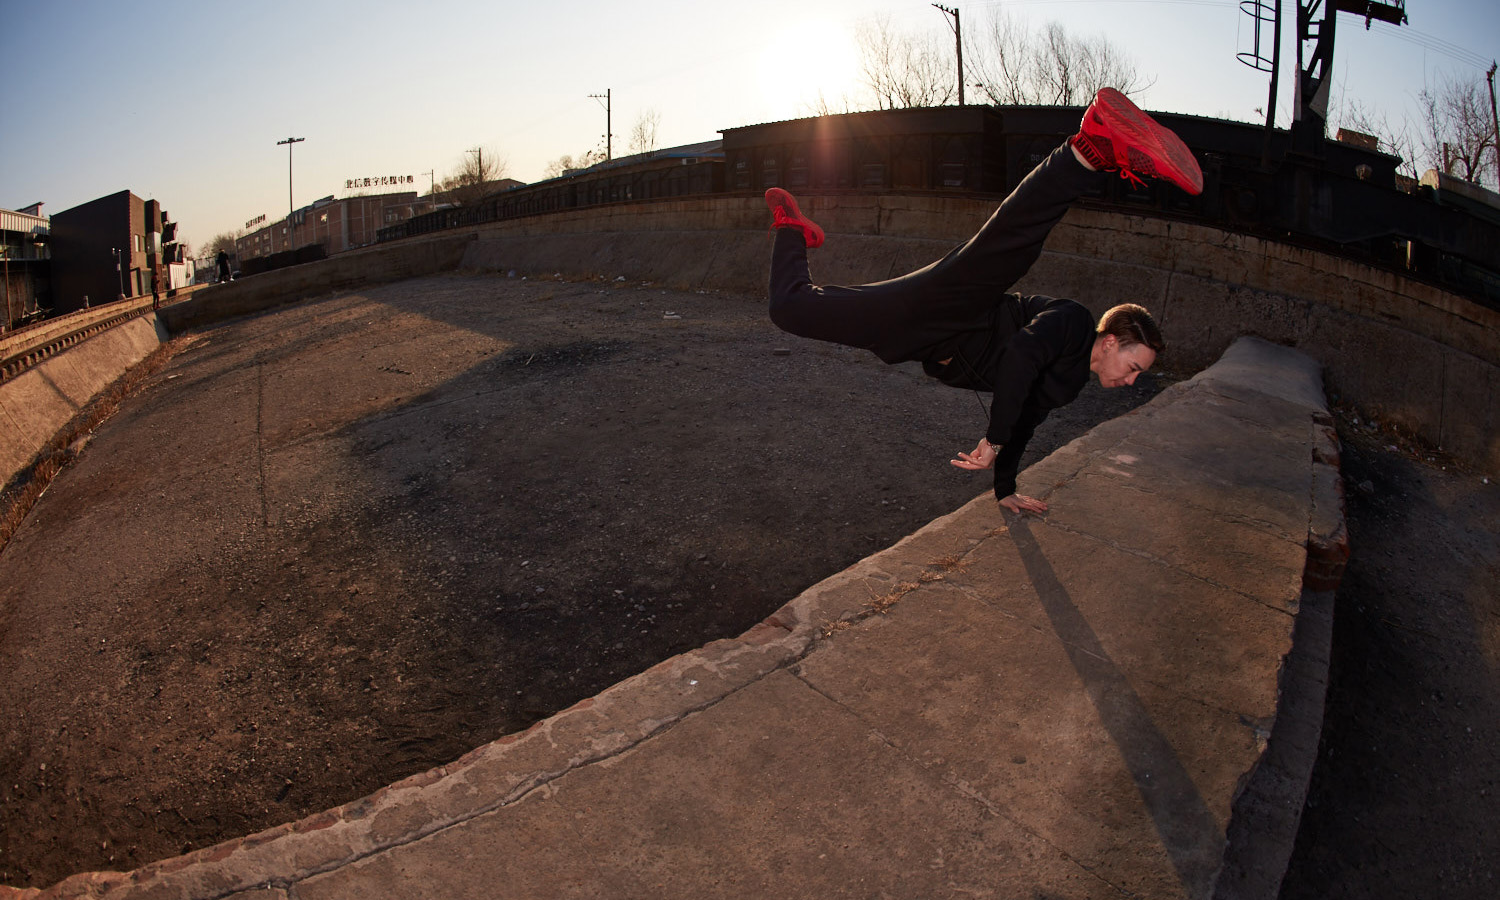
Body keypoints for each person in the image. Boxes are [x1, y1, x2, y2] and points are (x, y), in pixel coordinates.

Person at [765, 88, 1201, 515]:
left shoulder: (1068, 385)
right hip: (956, 305)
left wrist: (1005, 489)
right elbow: (1020, 355)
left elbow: (1023, 426)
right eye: (1133, 367)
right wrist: (994, 438)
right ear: (1110, 342)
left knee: (788, 309)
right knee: (1006, 244)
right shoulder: (1073, 322)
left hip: (924, 339)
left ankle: (792, 230)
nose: (1132, 381)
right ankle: (1091, 148)